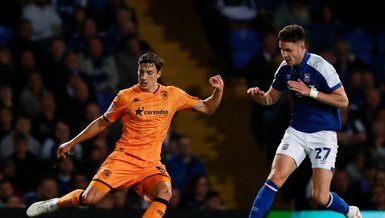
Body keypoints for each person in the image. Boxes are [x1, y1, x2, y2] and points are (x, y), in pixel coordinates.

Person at [26, 52, 224, 217]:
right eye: (141, 72)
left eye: (149, 72)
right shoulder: (126, 97)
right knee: (89, 199)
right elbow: (102, 122)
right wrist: (71, 142)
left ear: (158, 73)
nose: (144, 77)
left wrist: (218, 91)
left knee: (165, 192)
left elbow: (207, 108)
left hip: (150, 164)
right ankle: (55, 203)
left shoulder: (173, 95)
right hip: (123, 159)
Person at [246, 24, 361, 218]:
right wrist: (261, 98)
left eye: (289, 50)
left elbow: (343, 101)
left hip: (323, 135)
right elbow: (271, 98)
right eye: (282, 50)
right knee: (275, 177)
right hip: (297, 132)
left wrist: (311, 92)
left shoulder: (321, 66)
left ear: (302, 47)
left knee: (320, 197)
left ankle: (350, 211)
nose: (285, 55)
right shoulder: (285, 68)